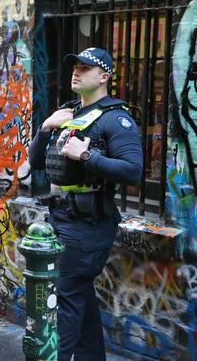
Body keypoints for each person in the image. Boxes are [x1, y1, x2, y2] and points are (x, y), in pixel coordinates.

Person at [28, 47, 143, 360]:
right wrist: (45, 128)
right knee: (79, 298)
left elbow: (133, 170)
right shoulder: (69, 114)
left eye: (85, 68)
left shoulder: (116, 120)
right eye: (74, 66)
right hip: (62, 219)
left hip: (87, 226)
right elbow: (36, 163)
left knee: (64, 304)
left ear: (104, 77)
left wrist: (87, 155)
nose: (76, 72)